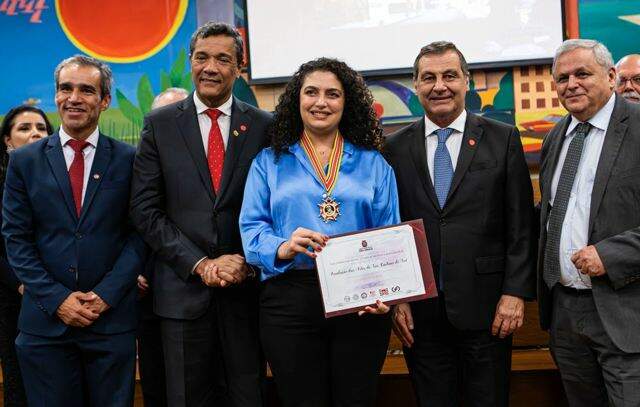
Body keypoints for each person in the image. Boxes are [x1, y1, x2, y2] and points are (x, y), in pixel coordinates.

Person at [239, 57, 398, 407]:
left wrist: (386, 290)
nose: (321, 102)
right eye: (311, 92)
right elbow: (251, 230)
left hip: (360, 301)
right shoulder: (269, 162)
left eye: (332, 94)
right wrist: (283, 245)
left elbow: (390, 233)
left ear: (347, 102)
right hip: (288, 300)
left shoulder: (374, 163)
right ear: (298, 100)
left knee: (356, 399)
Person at [385, 41, 535, 407]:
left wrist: (515, 294)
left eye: (450, 76)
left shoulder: (502, 139)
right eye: (429, 77)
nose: (440, 86)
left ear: (466, 82)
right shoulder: (393, 147)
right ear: (416, 85)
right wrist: (397, 299)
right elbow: (391, 228)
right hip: (421, 315)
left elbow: (521, 224)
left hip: (488, 310)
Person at [130, 22, 271, 407]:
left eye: (223, 59)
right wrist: (200, 263)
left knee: (248, 397)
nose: (210, 67)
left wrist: (246, 262)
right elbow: (145, 209)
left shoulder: (263, 125)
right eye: (201, 57)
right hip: (182, 294)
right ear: (191, 62)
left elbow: (274, 205)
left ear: (239, 69)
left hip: (245, 294)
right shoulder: (159, 124)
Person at [2, 55, 146, 406]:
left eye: (86, 89)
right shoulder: (24, 162)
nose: (74, 98)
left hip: (110, 323)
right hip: (45, 326)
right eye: (66, 88)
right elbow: (16, 239)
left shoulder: (131, 159)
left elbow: (140, 235)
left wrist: (107, 294)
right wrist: (57, 300)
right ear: (56, 95)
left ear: (105, 100)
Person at [538, 39, 640, 407]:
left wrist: (611, 255)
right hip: (566, 313)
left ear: (611, 77)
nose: (572, 84)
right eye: (562, 78)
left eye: (583, 73)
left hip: (625, 311)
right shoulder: (555, 138)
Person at [136, 87, 188, 407]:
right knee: (157, 383)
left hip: (199, 287)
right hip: (149, 290)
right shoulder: (134, 164)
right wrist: (135, 272)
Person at [0, 105, 53, 407]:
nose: (35, 133)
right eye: (24, 128)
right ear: (7, 140)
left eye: (41, 128)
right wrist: (22, 284)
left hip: (54, 295)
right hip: (13, 297)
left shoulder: (58, 179)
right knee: (19, 382)